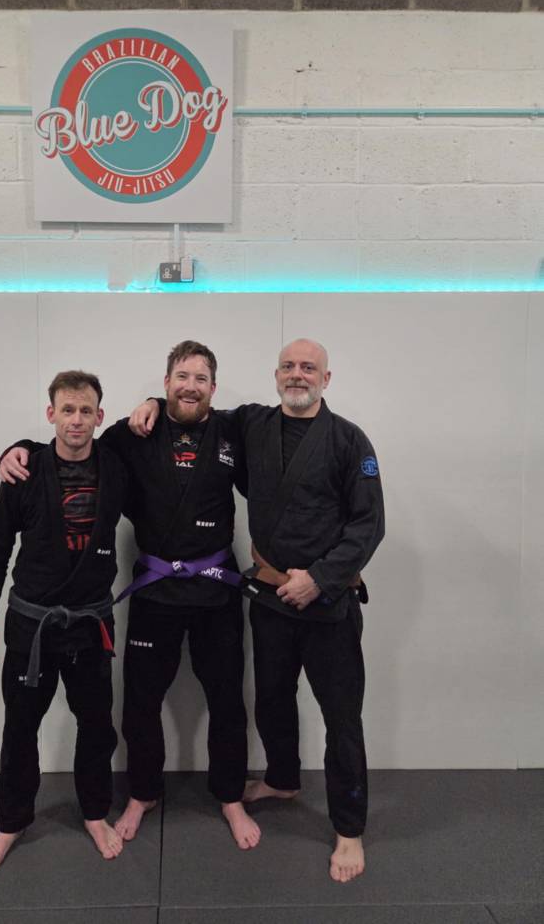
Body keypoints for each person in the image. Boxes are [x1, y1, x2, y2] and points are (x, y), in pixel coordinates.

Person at [128, 338, 384, 882]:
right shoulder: (251, 424)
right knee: (271, 699)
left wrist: (319, 579)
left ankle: (349, 830)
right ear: (275, 375)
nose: (297, 375)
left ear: (326, 379)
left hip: (327, 601)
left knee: (341, 719)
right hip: (270, 598)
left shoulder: (349, 440)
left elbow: (369, 524)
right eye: (289, 366)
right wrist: (151, 400)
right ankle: (282, 779)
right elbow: (192, 408)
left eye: (308, 367)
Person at [0, 342, 261, 850]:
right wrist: (16, 448)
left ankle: (231, 796)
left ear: (213, 387)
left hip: (217, 592)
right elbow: (74, 444)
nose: (190, 386)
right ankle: (143, 793)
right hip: (156, 592)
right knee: (141, 703)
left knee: (228, 699)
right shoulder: (134, 432)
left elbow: (273, 479)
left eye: (201, 378)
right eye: (181, 376)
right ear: (166, 383)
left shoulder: (233, 432)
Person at [0, 370, 127, 875]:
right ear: (50, 414)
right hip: (31, 624)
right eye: (67, 410)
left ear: (99, 417)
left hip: (91, 623)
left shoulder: (117, 468)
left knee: (96, 726)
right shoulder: (25, 471)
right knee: (20, 728)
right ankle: (11, 823)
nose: (76, 420)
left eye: (86, 411)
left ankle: (96, 813)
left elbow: (156, 436)